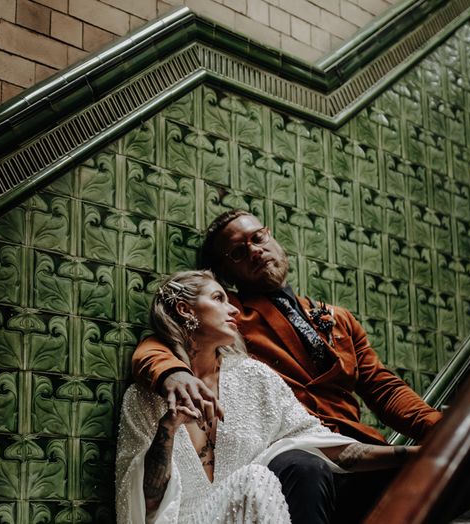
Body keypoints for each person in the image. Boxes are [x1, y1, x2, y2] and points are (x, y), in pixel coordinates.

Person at [131, 211, 442, 522]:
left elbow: (383, 387)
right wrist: (173, 373)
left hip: (354, 453)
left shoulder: (339, 318)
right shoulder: (232, 317)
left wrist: (440, 430)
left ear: (271, 237)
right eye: (239, 252)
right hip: (298, 467)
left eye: (258, 238)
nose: (254, 250)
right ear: (226, 273)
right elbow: (158, 342)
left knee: (466, 466)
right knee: (306, 467)